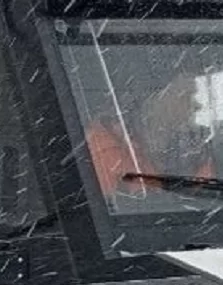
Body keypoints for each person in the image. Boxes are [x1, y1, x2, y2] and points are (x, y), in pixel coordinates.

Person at [86, 70, 215, 196]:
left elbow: (206, 203)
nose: (198, 106)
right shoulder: (102, 146)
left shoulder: (196, 150)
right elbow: (103, 210)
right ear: (155, 98)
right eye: (186, 96)